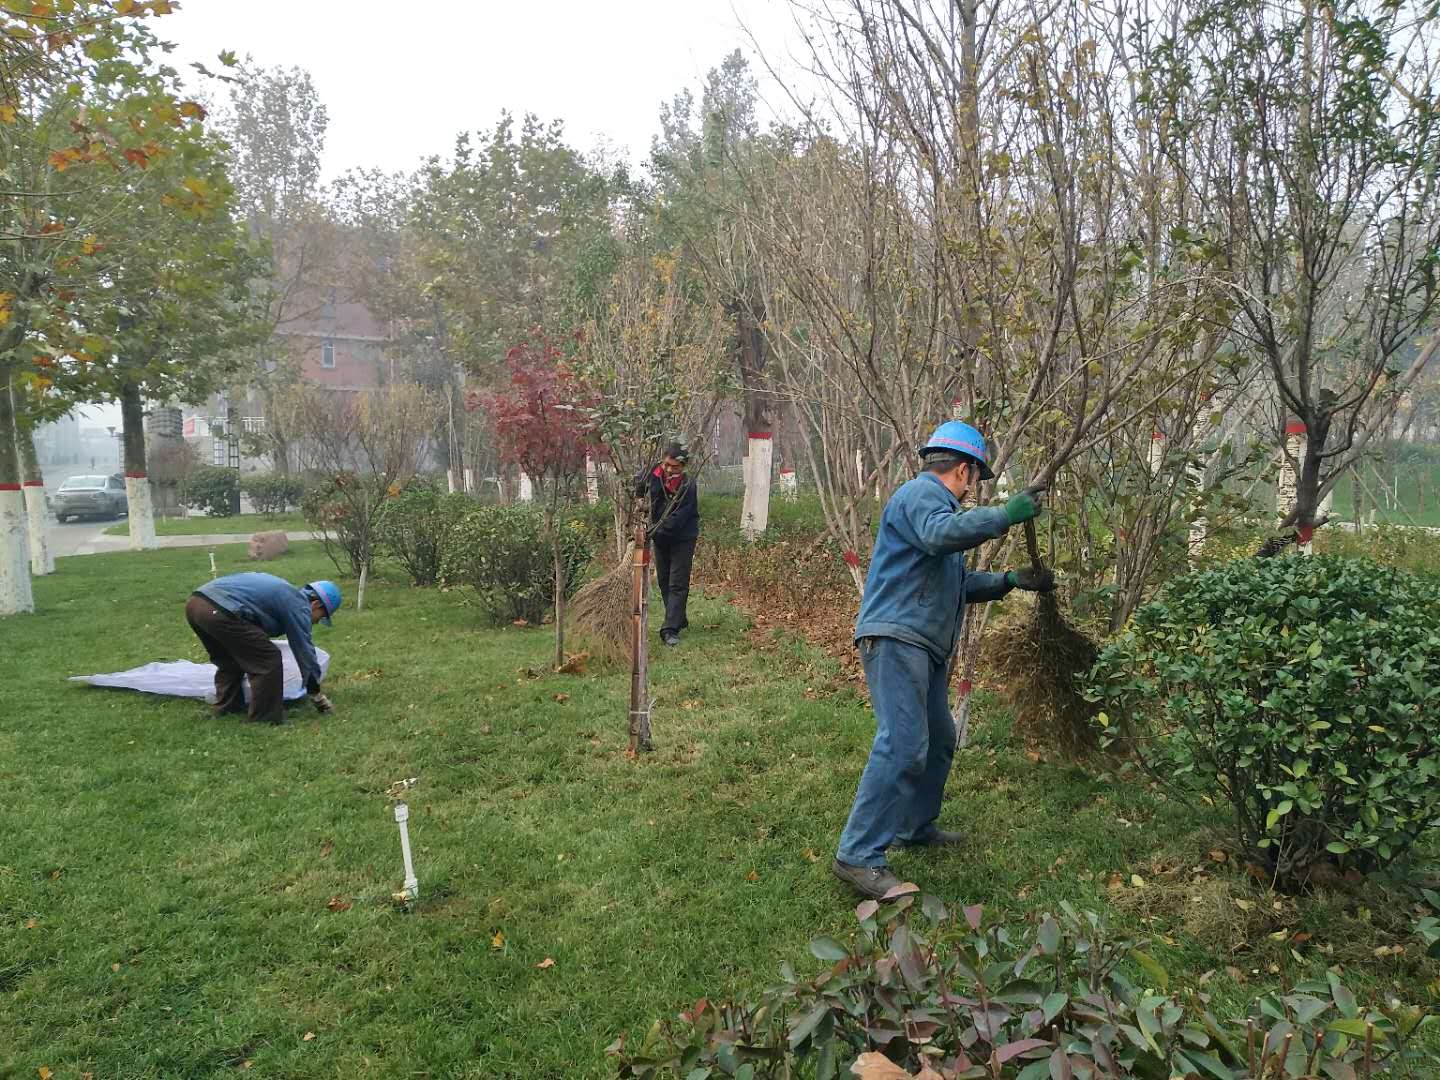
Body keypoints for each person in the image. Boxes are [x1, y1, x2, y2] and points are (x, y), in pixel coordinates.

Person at [831, 421, 1056, 899]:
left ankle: (914, 826)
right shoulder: (921, 497)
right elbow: (939, 536)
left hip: (923, 644)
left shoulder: (937, 512)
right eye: (976, 476)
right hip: (896, 639)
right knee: (904, 743)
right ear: (966, 470)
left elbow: (953, 583)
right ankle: (857, 855)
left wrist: (1010, 580)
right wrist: (1005, 515)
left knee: (938, 740)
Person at [184, 573, 341, 726]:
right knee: (268, 659)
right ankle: (265, 719)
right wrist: (314, 690)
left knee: (230, 661)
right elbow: (303, 648)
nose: (316, 622)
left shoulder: (286, 594)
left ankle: (227, 709)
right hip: (221, 610)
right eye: (320, 617)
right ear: (316, 604)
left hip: (196, 604)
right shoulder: (299, 604)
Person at [637, 443, 700, 648]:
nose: (670, 470)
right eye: (667, 465)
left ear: (684, 465)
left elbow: (679, 517)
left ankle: (670, 629)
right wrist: (639, 499)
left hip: (683, 536)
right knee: (664, 581)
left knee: (677, 583)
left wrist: (653, 532)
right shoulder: (654, 473)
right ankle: (678, 618)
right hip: (659, 537)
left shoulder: (688, 485)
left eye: (675, 467)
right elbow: (639, 487)